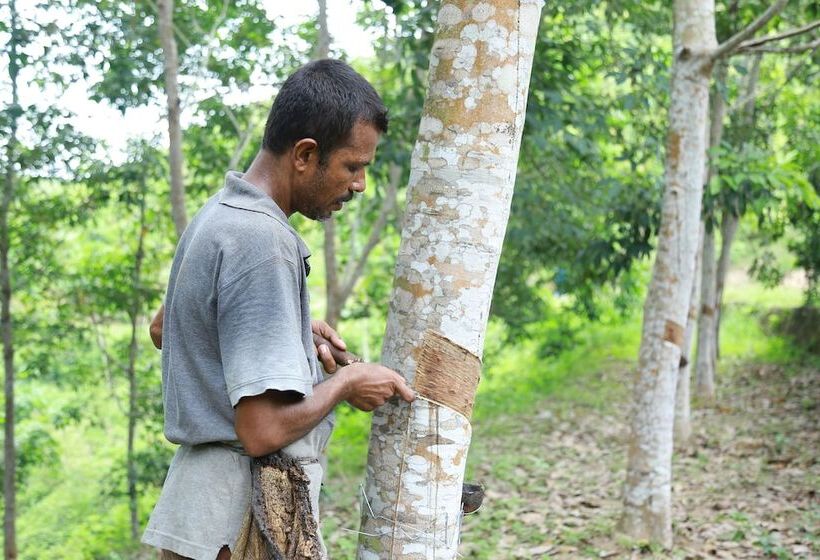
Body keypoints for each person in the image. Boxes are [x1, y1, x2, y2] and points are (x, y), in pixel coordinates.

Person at [141, 59, 415, 560]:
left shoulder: (218, 215)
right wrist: (348, 382)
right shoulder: (263, 241)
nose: (359, 185)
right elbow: (261, 430)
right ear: (306, 154)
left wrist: (288, 327)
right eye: (353, 167)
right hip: (241, 520)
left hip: (197, 519)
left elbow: (166, 327)